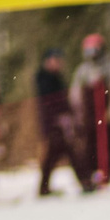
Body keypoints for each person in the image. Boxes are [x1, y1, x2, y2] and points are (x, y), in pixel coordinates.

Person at [72, 34, 110, 193]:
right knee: (89, 146)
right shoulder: (83, 70)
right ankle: (89, 176)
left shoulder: (108, 67)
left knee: (109, 143)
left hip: (104, 113)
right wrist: (79, 112)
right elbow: (76, 93)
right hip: (89, 114)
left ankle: (108, 172)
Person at [33, 50, 77, 195]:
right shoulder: (45, 79)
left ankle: (44, 187)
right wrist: (59, 116)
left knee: (57, 154)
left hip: (57, 122)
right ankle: (84, 181)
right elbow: (51, 103)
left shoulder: (56, 78)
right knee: (64, 152)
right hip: (53, 123)